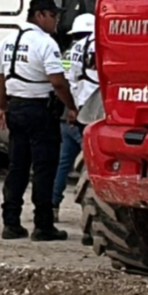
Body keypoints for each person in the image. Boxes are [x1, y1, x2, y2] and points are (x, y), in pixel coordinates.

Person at [0, 0, 77, 241]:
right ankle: (43, 225)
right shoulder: (45, 43)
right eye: (54, 16)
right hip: (40, 110)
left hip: (16, 108)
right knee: (44, 168)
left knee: (17, 167)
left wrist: (3, 107)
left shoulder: (7, 42)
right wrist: (71, 106)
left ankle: (11, 223)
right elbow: (58, 82)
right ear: (40, 15)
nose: (56, 22)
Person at [53, 13, 99, 246]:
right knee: (92, 170)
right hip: (96, 115)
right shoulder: (100, 45)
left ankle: (52, 206)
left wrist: (71, 108)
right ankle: (90, 224)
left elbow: (65, 80)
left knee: (63, 164)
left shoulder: (71, 51)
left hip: (74, 113)